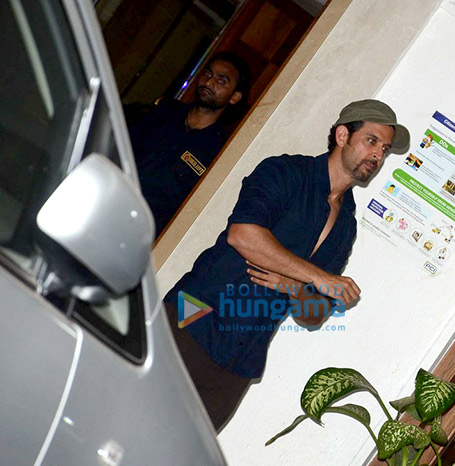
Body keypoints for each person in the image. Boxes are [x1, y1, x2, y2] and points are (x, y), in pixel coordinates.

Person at [164, 99, 410, 431]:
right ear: (342, 135)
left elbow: (315, 314)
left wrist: (295, 287)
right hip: (192, 317)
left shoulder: (346, 225)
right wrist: (317, 277)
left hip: (241, 357)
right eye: (371, 141)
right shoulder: (285, 171)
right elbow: (243, 235)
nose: (378, 155)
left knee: (181, 453)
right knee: (126, 424)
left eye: (384, 148)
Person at [128, 52, 250, 236]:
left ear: (234, 97)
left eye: (221, 81)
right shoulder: (164, 113)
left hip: (144, 233)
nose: (209, 83)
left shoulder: (219, 152)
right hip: (111, 200)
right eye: (207, 74)